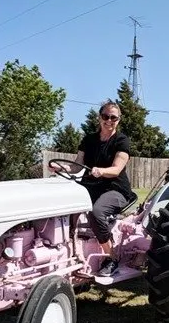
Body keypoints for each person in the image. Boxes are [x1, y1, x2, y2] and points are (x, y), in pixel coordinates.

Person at [52, 101, 133, 277]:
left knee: (96, 213)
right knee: (59, 207)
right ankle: (67, 253)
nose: (109, 120)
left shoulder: (121, 141)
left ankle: (112, 257)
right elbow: (76, 166)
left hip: (115, 188)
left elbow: (117, 169)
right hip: (90, 186)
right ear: (99, 117)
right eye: (105, 116)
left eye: (113, 118)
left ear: (118, 120)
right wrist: (60, 168)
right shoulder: (89, 140)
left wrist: (101, 170)